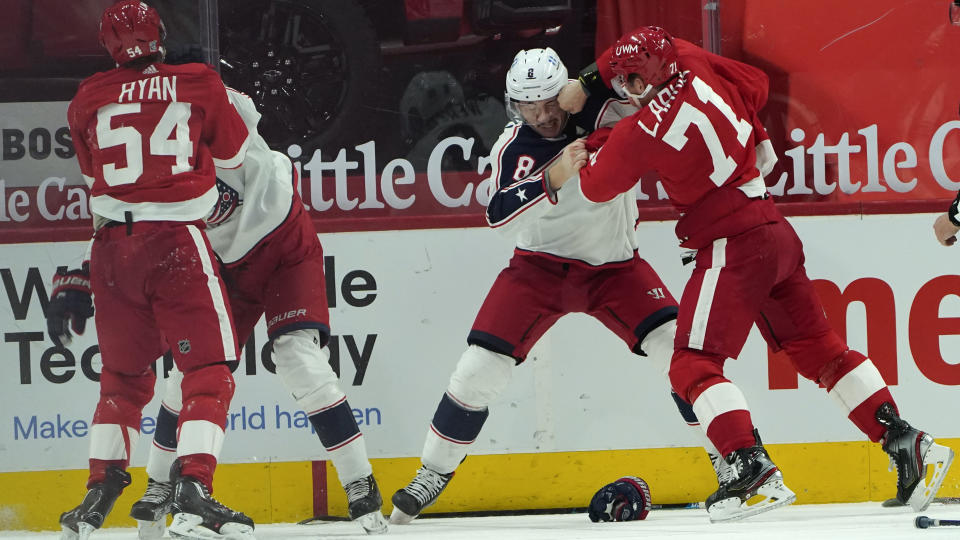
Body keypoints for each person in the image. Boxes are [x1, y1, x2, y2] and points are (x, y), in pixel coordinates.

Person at [546, 26, 954, 522]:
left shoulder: (638, 132)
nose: (623, 89)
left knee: (691, 365)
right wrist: (596, 78)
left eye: (627, 82)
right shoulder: (693, 61)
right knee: (821, 351)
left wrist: (573, 158)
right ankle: (906, 441)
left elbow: (595, 187)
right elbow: (755, 85)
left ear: (640, 82)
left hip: (732, 244)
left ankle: (750, 468)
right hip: (773, 228)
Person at [388, 47, 731, 525]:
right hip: (538, 270)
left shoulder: (609, 111)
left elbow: (658, 66)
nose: (544, 115)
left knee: (678, 352)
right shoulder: (511, 146)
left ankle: (728, 457)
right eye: (530, 106)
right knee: (476, 371)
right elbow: (497, 214)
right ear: (514, 106)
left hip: (616, 269)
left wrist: (596, 80)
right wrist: (555, 173)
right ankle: (431, 473)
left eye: (550, 101)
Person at [127, 85, 388, 538]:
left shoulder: (208, 103)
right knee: (188, 373)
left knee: (298, 358)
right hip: (223, 265)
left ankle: (359, 481)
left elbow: (242, 109)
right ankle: (159, 486)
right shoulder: (142, 163)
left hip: (284, 241)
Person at [51, 2, 254, 538]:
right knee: (208, 372)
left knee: (122, 380)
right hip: (176, 243)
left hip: (111, 250)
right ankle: (194, 487)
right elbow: (234, 154)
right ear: (160, 33)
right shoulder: (197, 81)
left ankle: (98, 493)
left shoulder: (87, 98)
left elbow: (102, 184)